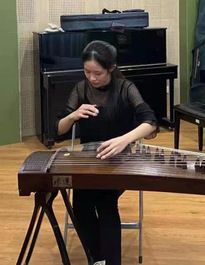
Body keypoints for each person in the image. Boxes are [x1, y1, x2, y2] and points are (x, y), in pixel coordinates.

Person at [56, 40, 158, 265]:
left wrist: (125, 140)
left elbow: (150, 122)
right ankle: (98, 259)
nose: (92, 78)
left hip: (119, 160)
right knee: (80, 204)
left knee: (105, 201)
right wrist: (72, 116)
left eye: (98, 73)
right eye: (87, 72)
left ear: (111, 68)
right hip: (88, 161)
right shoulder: (81, 89)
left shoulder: (125, 88)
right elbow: (59, 129)